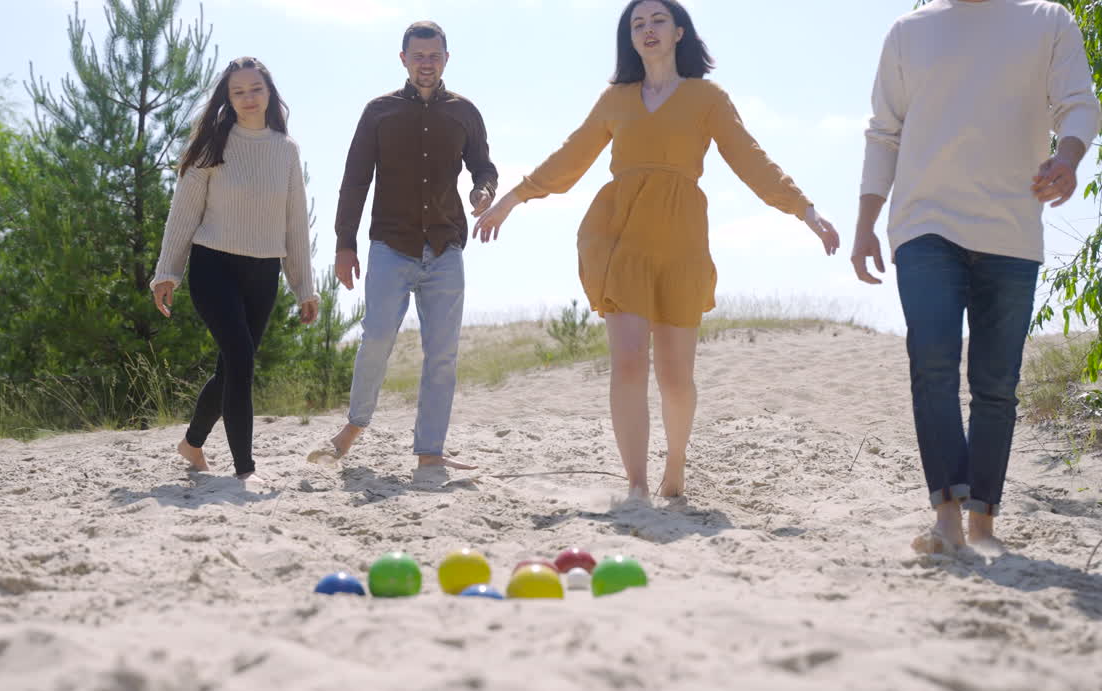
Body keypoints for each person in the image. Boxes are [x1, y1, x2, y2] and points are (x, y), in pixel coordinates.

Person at [473, 0, 840, 502]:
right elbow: (573, 154)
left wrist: (805, 210)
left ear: (680, 33)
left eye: (658, 21)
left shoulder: (705, 97)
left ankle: (676, 462)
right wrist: (514, 199)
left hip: (681, 239)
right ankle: (636, 485)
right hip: (619, 235)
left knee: (674, 376)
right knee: (627, 361)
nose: (647, 30)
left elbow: (751, 158)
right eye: (637, 24)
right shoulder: (616, 99)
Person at [852, 0, 1101, 552]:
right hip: (924, 224)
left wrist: (1069, 158)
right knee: (933, 362)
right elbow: (883, 133)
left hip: (1010, 229)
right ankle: (947, 516)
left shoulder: (1047, 20)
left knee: (995, 384)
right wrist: (867, 222)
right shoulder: (908, 31)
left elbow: (1079, 105)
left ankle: (983, 521)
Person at [308, 21, 498, 471]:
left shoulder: (465, 112)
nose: (426, 63)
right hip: (391, 246)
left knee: (442, 353)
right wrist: (343, 245)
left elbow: (483, 167)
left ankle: (429, 451)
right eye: (418, 56)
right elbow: (355, 181)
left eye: (434, 55)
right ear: (404, 59)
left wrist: (483, 192)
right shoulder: (379, 112)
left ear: (446, 59)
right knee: (375, 339)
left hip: (446, 246)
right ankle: (353, 427)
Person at [150, 57, 318, 479]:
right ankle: (245, 470)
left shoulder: (286, 151)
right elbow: (183, 214)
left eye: (255, 89)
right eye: (238, 91)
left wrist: (304, 287)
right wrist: (167, 272)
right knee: (240, 356)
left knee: (231, 367)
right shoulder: (212, 146)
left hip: (263, 273)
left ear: (269, 93)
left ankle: (191, 445)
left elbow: (294, 222)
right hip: (213, 267)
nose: (247, 98)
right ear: (228, 97)